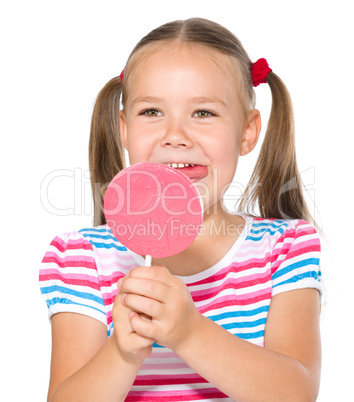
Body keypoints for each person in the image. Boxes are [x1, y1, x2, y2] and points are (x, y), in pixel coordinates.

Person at [39, 18, 322, 401]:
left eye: (203, 113)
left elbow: (296, 393)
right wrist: (121, 354)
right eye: (152, 112)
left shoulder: (285, 249)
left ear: (247, 131)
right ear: (124, 129)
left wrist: (189, 332)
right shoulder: (83, 259)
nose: (175, 136)